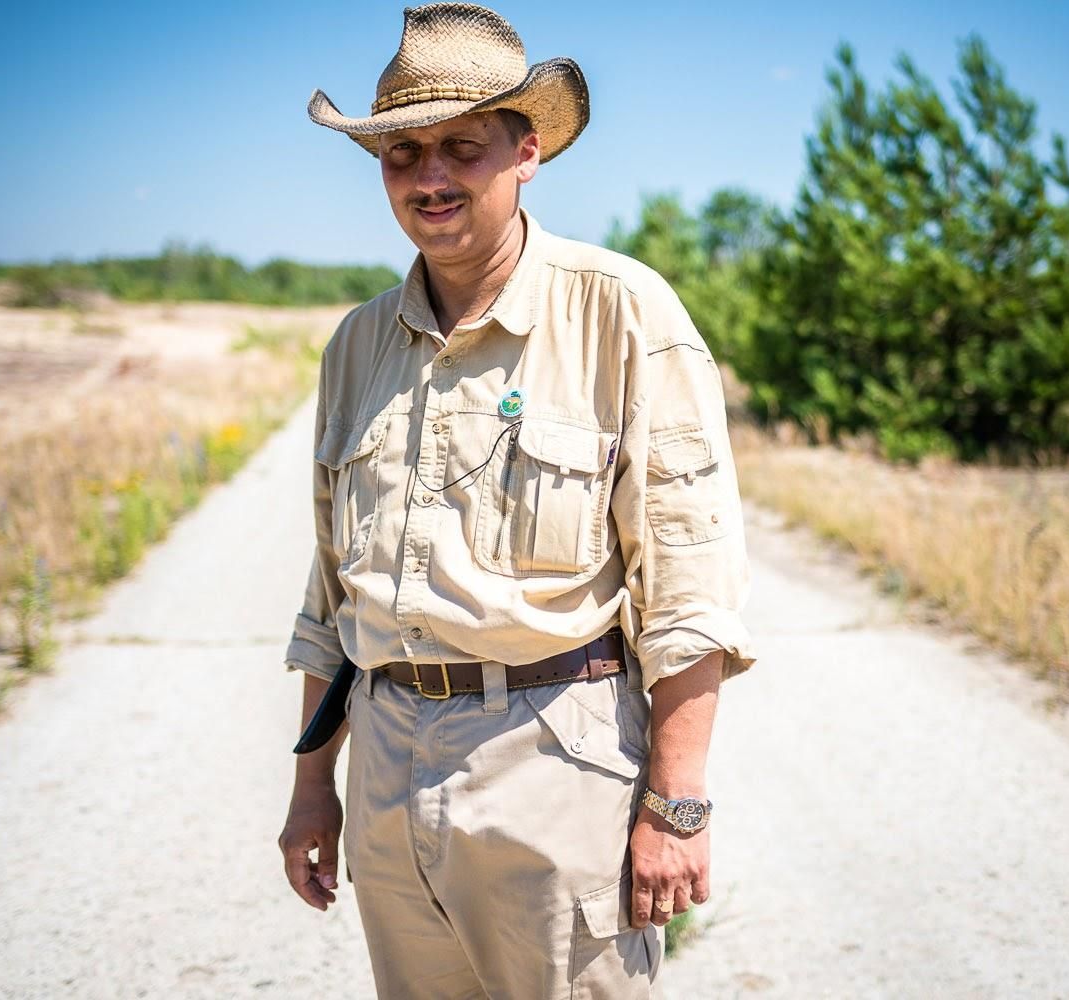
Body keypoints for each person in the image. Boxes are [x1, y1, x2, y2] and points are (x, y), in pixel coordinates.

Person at [276, 3, 755, 995]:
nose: (430, 176)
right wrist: (311, 786)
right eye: (401, 152)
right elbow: (331, 595)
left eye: (461, 146)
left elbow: (689, 583)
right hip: (385, 764)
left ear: (525, 149)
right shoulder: (357, 344)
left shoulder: (621, 311)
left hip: (553, 761)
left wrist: (675, 805)